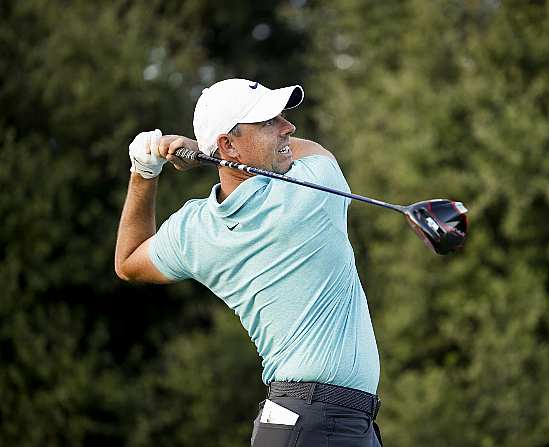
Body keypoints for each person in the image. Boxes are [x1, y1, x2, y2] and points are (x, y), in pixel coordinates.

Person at [115, 78, 383, 447]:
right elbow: (314, 150)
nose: (288, 126)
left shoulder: (195, 231)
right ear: (228, 144)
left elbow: (128, 260)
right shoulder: (311, 193)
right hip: (317, 422)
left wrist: (144, 172)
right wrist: (202, 149)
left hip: (311, 420)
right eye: (269, 122)